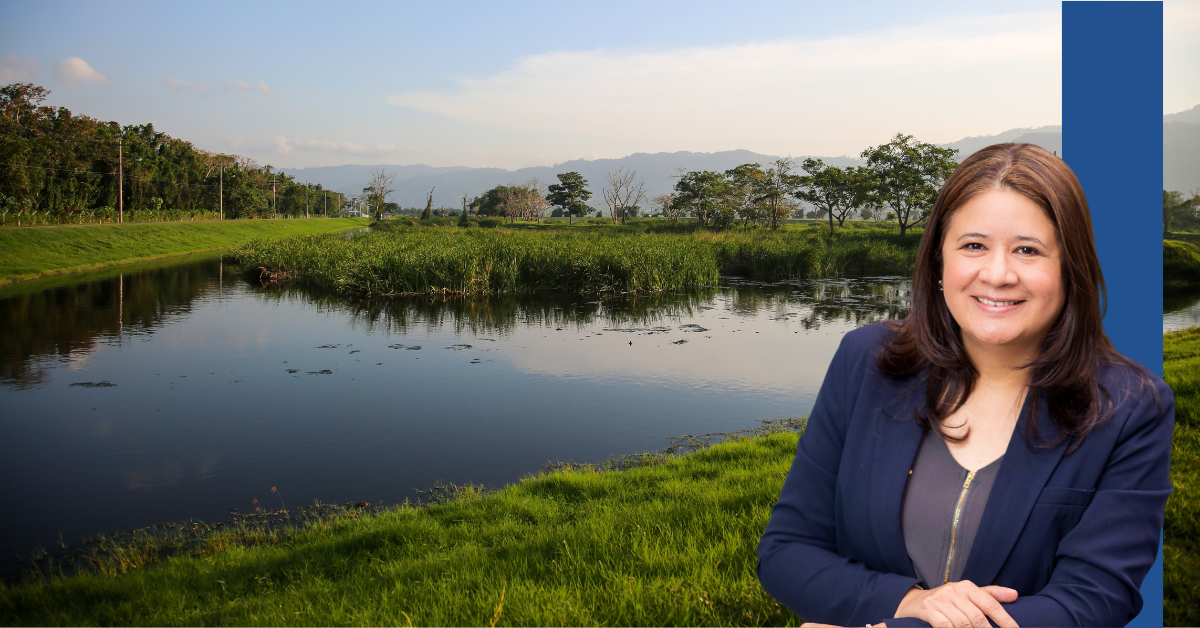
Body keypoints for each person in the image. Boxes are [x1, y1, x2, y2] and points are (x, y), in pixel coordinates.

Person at [756, 143, 1173, 628]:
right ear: (938, 261)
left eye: (1028, 250)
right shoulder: (866, 360)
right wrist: (908, 601)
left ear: (1069, 267)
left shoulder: (1129, 405)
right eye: (974, 245)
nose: (997, 274)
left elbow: (1093, 598)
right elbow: (787, 552)